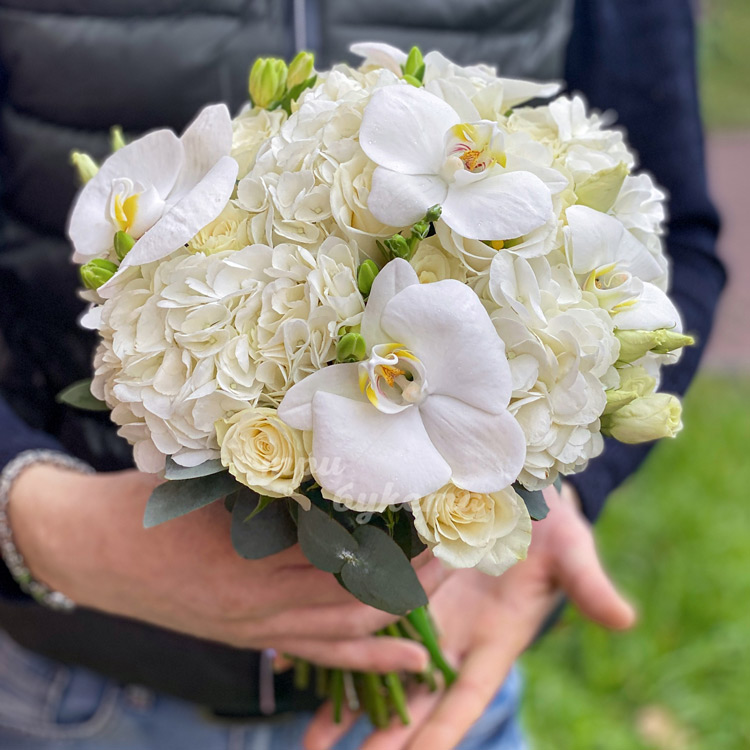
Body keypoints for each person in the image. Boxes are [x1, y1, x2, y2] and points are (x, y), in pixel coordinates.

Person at [0, 1, 724, 749]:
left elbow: (660, 245)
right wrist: (43, 521)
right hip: (72, 688)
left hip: (440, 695)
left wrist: (548, 486)